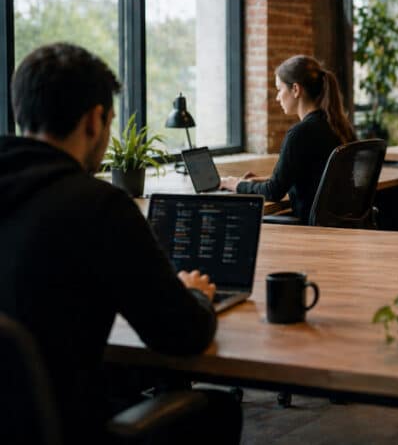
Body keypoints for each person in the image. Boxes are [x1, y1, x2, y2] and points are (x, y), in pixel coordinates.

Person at [0, 43, 240, 443]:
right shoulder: (97, 206)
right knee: (218, 410)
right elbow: (181, 334)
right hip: (62, 428)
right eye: (110, 121)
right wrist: (195, 296)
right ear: (95, 120)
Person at [221, 55, 356, 221]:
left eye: (279, 89)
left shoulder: (300, 133)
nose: (277, 97)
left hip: (313, 231)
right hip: (340, 225)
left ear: (296, 90)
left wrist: (235, 184)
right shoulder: (340, 127)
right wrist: (261, 181)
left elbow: (273, 192)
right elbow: (315, 177)